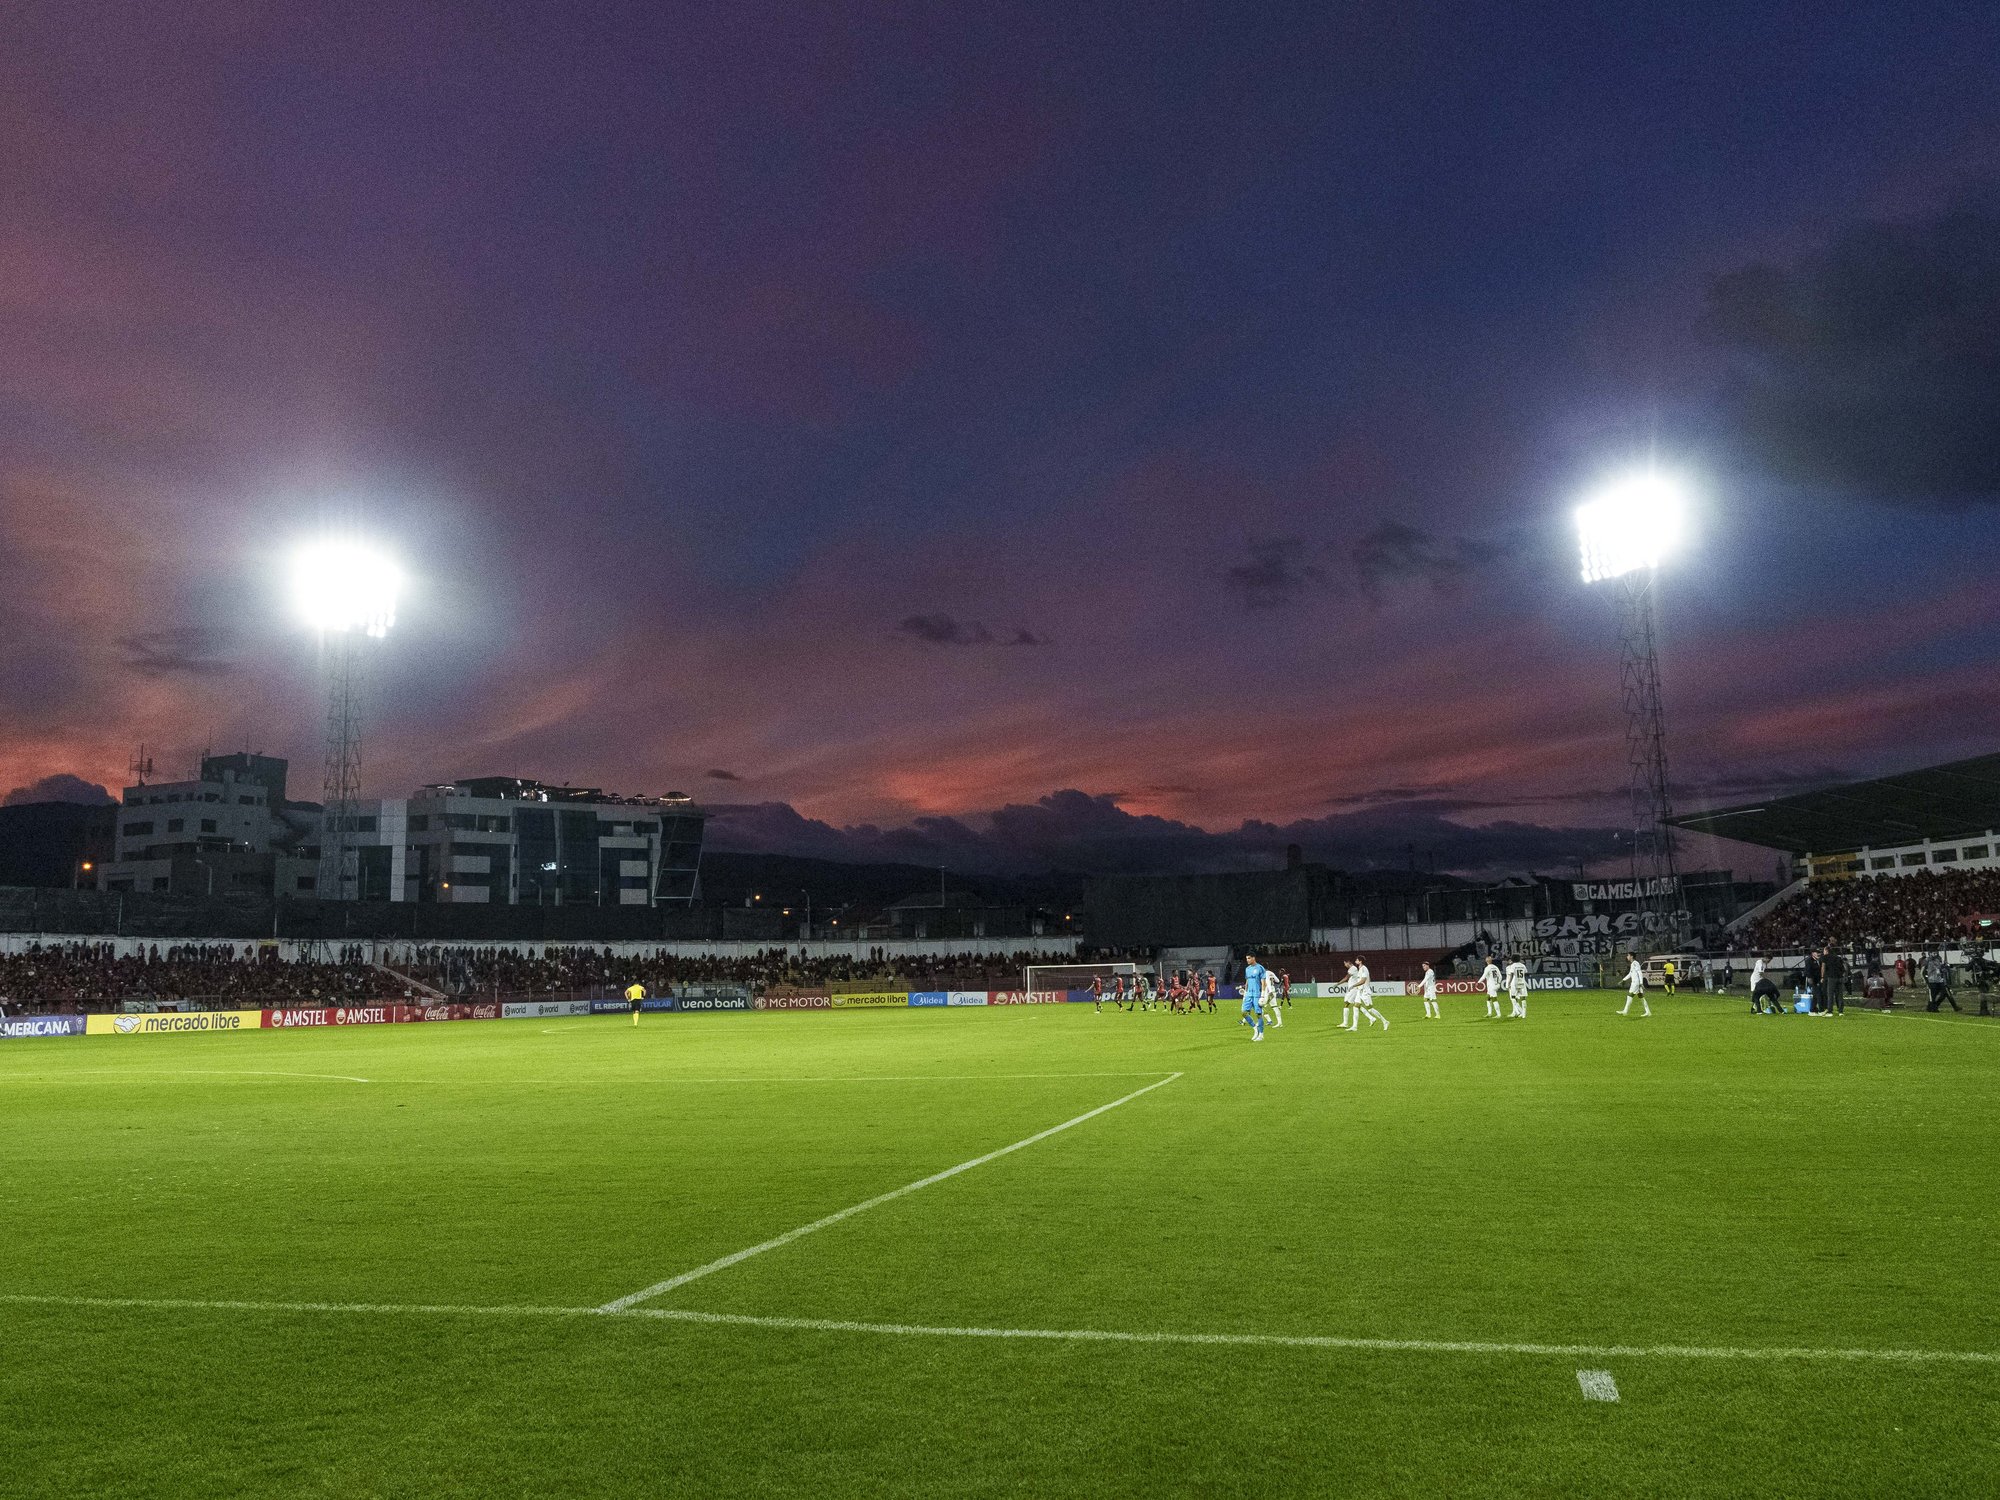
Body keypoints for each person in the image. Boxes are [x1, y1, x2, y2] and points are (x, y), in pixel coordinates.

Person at [1351, 959, 1387, 1029]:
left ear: (1360, 961)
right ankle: (1355, 1026)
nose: (1355, 961)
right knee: (1356, 1006)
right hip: (1360, 991)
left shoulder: (1364, 969)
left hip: (1365, 992)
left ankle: (1385, 1021)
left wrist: (1353, 985)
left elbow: (1363, 981)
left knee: (1370, 1009)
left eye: (1357, 960)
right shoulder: (1360, 969)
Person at [1241, 954, 1268, 1040]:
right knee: (1244, 1012)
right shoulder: (1247, 969)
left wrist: (1262, 995)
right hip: (1249, 994)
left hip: (1257, 994)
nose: (1247, 960)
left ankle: (1261, 1035)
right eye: (1246, 958)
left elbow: (1263, 983)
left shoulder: (1260, 968)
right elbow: (1247, 981)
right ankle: (1255, 1028)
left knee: (1258, 1014)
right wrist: (1245, 994)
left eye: (1249, 958)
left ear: (1253, 958)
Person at [1822, 948, 1846, 1016]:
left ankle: (1830, 1011)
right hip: (1840, 977)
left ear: (1827, 951)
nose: (1823, 952)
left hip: (1832, 977)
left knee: (1830, 994)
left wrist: (1822, 977)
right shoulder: (1838, 957)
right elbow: (1843, 968)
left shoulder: (1825, 957)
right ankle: (1841, 1011)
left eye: (1824, 951)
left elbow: (1823, 967)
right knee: (1840, 995)